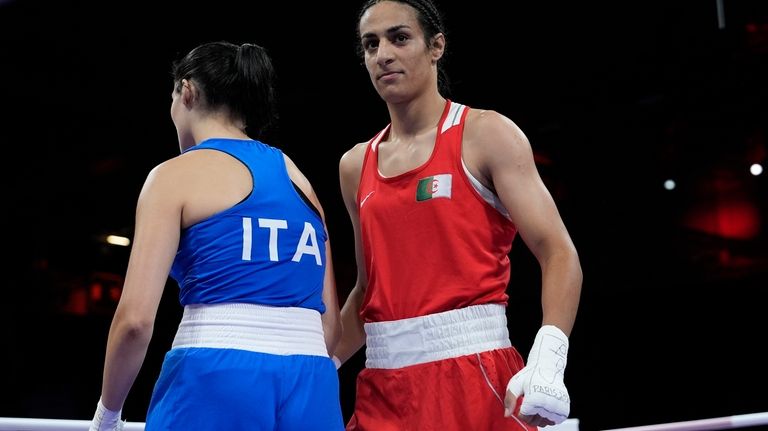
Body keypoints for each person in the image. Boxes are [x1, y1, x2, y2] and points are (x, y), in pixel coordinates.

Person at [333, 1, 583, 430]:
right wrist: (318, 362)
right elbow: (366, 290)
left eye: (399, 37)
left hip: (474, 374)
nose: (383, 55)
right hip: (383, 389)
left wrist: (550, 354)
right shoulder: (356, 165)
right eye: (370, 44)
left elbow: (558, 252)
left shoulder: (486, 135)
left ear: (436, 46)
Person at [89, 41, 345, 431]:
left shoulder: (174, 176)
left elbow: (136, 321)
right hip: (313, 382)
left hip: (215, 372)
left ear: (186, 91)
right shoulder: (301, 181)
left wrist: (107, 416)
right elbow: (331, 330)